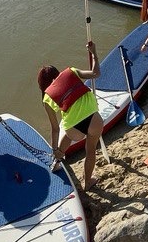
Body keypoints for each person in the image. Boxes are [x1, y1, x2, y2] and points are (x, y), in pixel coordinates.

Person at [37, 41, 103, 186]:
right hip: (94, 120)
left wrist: (54, 149)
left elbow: (55, 129)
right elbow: (96, 73)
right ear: (57, 73)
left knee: (67, 135)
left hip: (73, 129)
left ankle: (57, 161)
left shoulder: (47, 98)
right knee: (90, 151)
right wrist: (94, 54)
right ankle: (88, 182)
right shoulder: (71, 71)